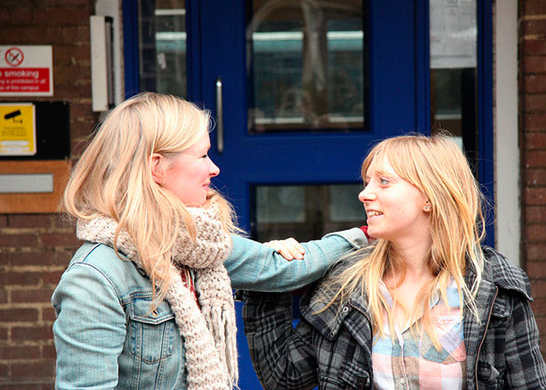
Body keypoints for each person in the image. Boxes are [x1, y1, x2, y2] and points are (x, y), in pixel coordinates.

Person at [51, 92, 367, 390]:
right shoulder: (95, 278)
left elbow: (283, 270)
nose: (214, 168)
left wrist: (367, 235)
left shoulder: (199, 245)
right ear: (156, 167)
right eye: (202, 155)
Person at [242, 134, 546, 390]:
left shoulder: (494, 288)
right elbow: (285, 378)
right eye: (366, 182)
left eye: (384, 181)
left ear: (430, 197)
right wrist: (272, 277)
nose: (365, 194)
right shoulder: (346, 283)